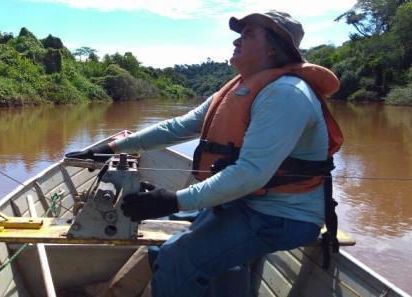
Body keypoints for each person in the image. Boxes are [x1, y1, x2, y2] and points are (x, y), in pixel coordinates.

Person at [66, 10, 343, 297]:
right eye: (239, 34)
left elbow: (250, 174)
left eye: (248, 35)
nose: (237, 41)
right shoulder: (242, 87)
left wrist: (172, 199)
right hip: (244, 204)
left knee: (176, 260)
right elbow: (180, 127)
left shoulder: (286, 94)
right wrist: (112, 147)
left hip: (281, 218)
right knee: (168, 230)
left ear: (274, 47)